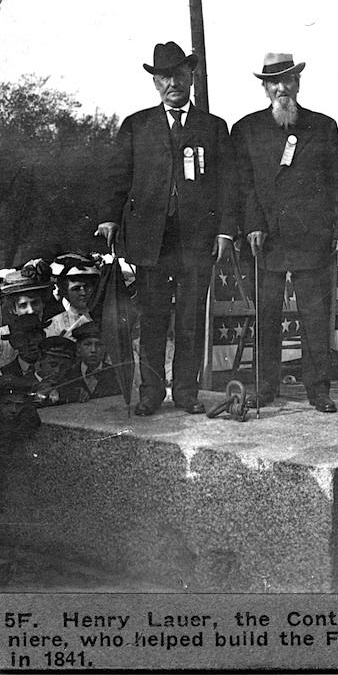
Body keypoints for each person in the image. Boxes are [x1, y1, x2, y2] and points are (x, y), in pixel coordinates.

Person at [96, 41, 238, 416]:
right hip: (150, 241)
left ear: (191, 76)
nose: (172, 82)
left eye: (178, 74)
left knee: (191, 318)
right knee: (154, 318)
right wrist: (110, 217)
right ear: (155, 82)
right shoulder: (136, 125)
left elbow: (228, 186)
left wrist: (225, 232)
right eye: (163, 77)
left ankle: (187, 392)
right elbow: (117, 176)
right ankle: (152, 393)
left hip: (197, 240)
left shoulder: (213, 127)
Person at [231, 53, 338, 413]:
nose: (282, 88)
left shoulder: (323, 126)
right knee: (266, 317)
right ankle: (265, 387)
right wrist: (252, 224)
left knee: (315, 316)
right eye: (275, 82)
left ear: (298, 84)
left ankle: (318, 389)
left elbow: (337, 182)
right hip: (265, 240)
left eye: (288, 81)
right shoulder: (246, 130)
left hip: (312, 237)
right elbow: (244, 186)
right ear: (266, 88)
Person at [0, 267, 52, 377]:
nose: (31, 310)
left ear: (43, 303)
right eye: (23, 305)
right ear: (13, 309)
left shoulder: (54, 330)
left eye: (35, 303)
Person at [43, 252, 99, 339]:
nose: (83, 293)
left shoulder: (103, 317)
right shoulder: (53, 325)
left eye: (87, 287)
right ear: (65, 292)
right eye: (76, 289)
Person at [70, 321, 121, 400]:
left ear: (106, 348)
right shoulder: (68, 375)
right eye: (87, 344)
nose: (93, 350)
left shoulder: (116, 374)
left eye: (99, 345)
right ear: (79, 348)